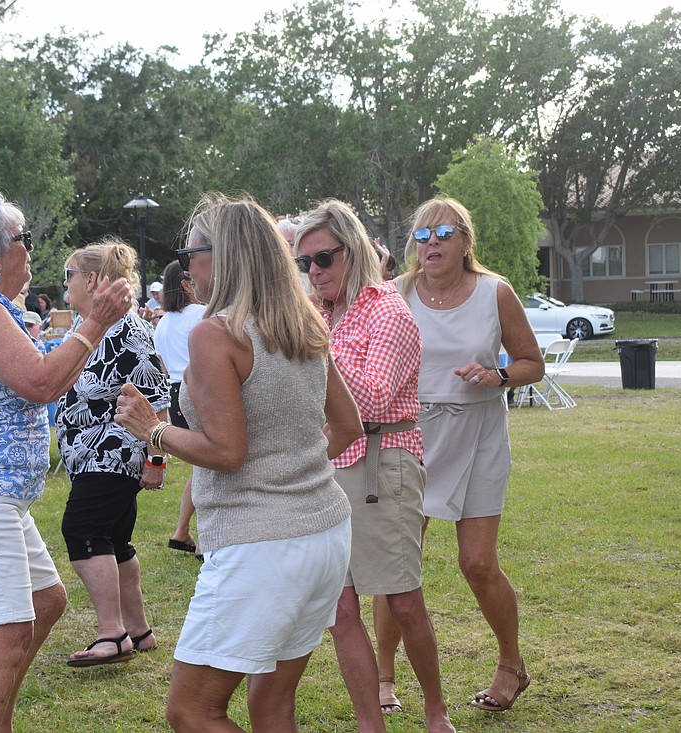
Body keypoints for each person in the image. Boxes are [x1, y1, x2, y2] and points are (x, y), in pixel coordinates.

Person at [114, 194, 363, 733]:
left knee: (192, 711)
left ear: (222, 258)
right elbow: (347, 428)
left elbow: (228, 453)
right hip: (324, 534)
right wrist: (294, 469)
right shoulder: (301, 325)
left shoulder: (217, 333)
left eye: (191, 254)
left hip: (261, 548)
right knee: (270, 707)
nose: (185, 269)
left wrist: (151, 428)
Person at [0, 192, 131, 730]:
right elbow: (41, 383)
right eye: (25, 239)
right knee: (6, 639)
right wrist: (95, 323)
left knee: (48, 602)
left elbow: (43, 376)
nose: (31, 251)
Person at [295, 200, 453, 732]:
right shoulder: (322, 312)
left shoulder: (386, 310)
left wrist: (316, 349)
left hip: (382, 463)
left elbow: (375, 399)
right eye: (304, 264)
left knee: (403, 601)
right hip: (328, 465)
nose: (313, 273)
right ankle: (371, 723)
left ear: (352, 249)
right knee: (341, 611)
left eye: (322, 259)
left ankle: (437, 713)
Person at [383, 196, 544, 714]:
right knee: (398, 564)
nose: (431, 243)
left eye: (444, 233)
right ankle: (384, 677)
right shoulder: (393, 294)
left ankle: (511, 666)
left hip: (479, 435)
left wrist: (497, 375)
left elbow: (532, 364)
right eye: (423, 235)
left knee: (477, 562)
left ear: (465, 241)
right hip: (410, 434)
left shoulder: (496, 292)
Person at [57, 239, 170, 666]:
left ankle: (112, 633)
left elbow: (158, 399)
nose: (65, 284)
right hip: (89, 455)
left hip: (114, 452)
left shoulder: (127, 329)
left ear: (91, 279)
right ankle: (139, 631)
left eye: (69, 276)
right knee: (115, 540)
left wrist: (157, 460)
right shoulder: (86, 326)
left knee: (82, 528)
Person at [153, 260, 205, 560]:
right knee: (209, 469)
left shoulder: (163, 323)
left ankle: (182, 531)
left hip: (175, 393)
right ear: (186, 284)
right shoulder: (200, 314)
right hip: (198, 388)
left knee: (202, 469)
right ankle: (194, 536)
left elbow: (163, 365)